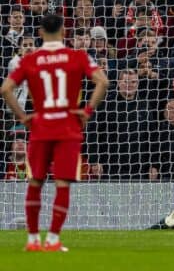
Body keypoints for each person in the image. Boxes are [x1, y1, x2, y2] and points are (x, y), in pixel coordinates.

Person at [0, 14, 109, 252]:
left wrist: (22, 116)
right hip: (68, 127)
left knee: (35, 181)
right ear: (63, 32)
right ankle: (52, 239)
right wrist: (87, 111)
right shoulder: (77, 56)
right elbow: (102, 81)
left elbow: (6, 89)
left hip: (40, 127)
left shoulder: (30, 59)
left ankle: (31, 240)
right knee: (62, 184)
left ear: (39, 33)